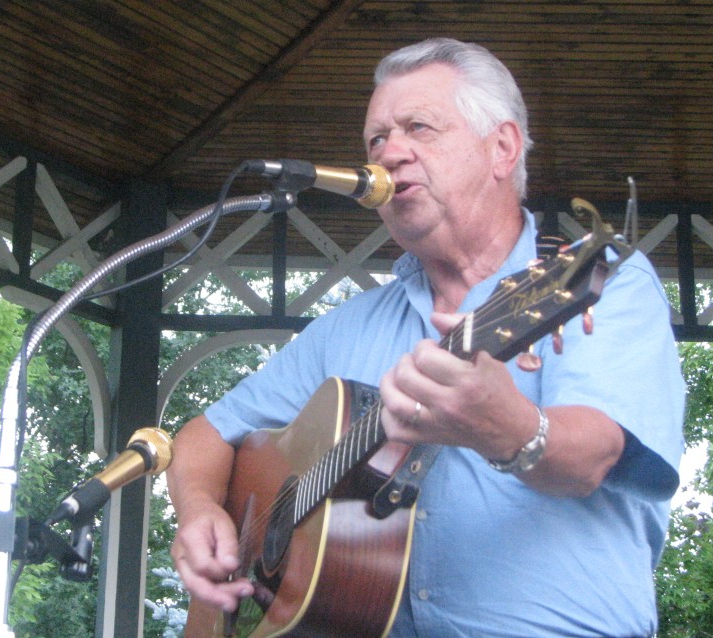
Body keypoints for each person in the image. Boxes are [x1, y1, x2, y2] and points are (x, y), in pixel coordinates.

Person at [168, 37, 685, 637]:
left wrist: (509, 427)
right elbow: (203, 436)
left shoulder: (599, 282)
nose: (390, 154)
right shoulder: (349, 326)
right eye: (376, 140)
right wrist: (202, 512)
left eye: (419, 127)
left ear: (502, 148)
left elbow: (594, 456)